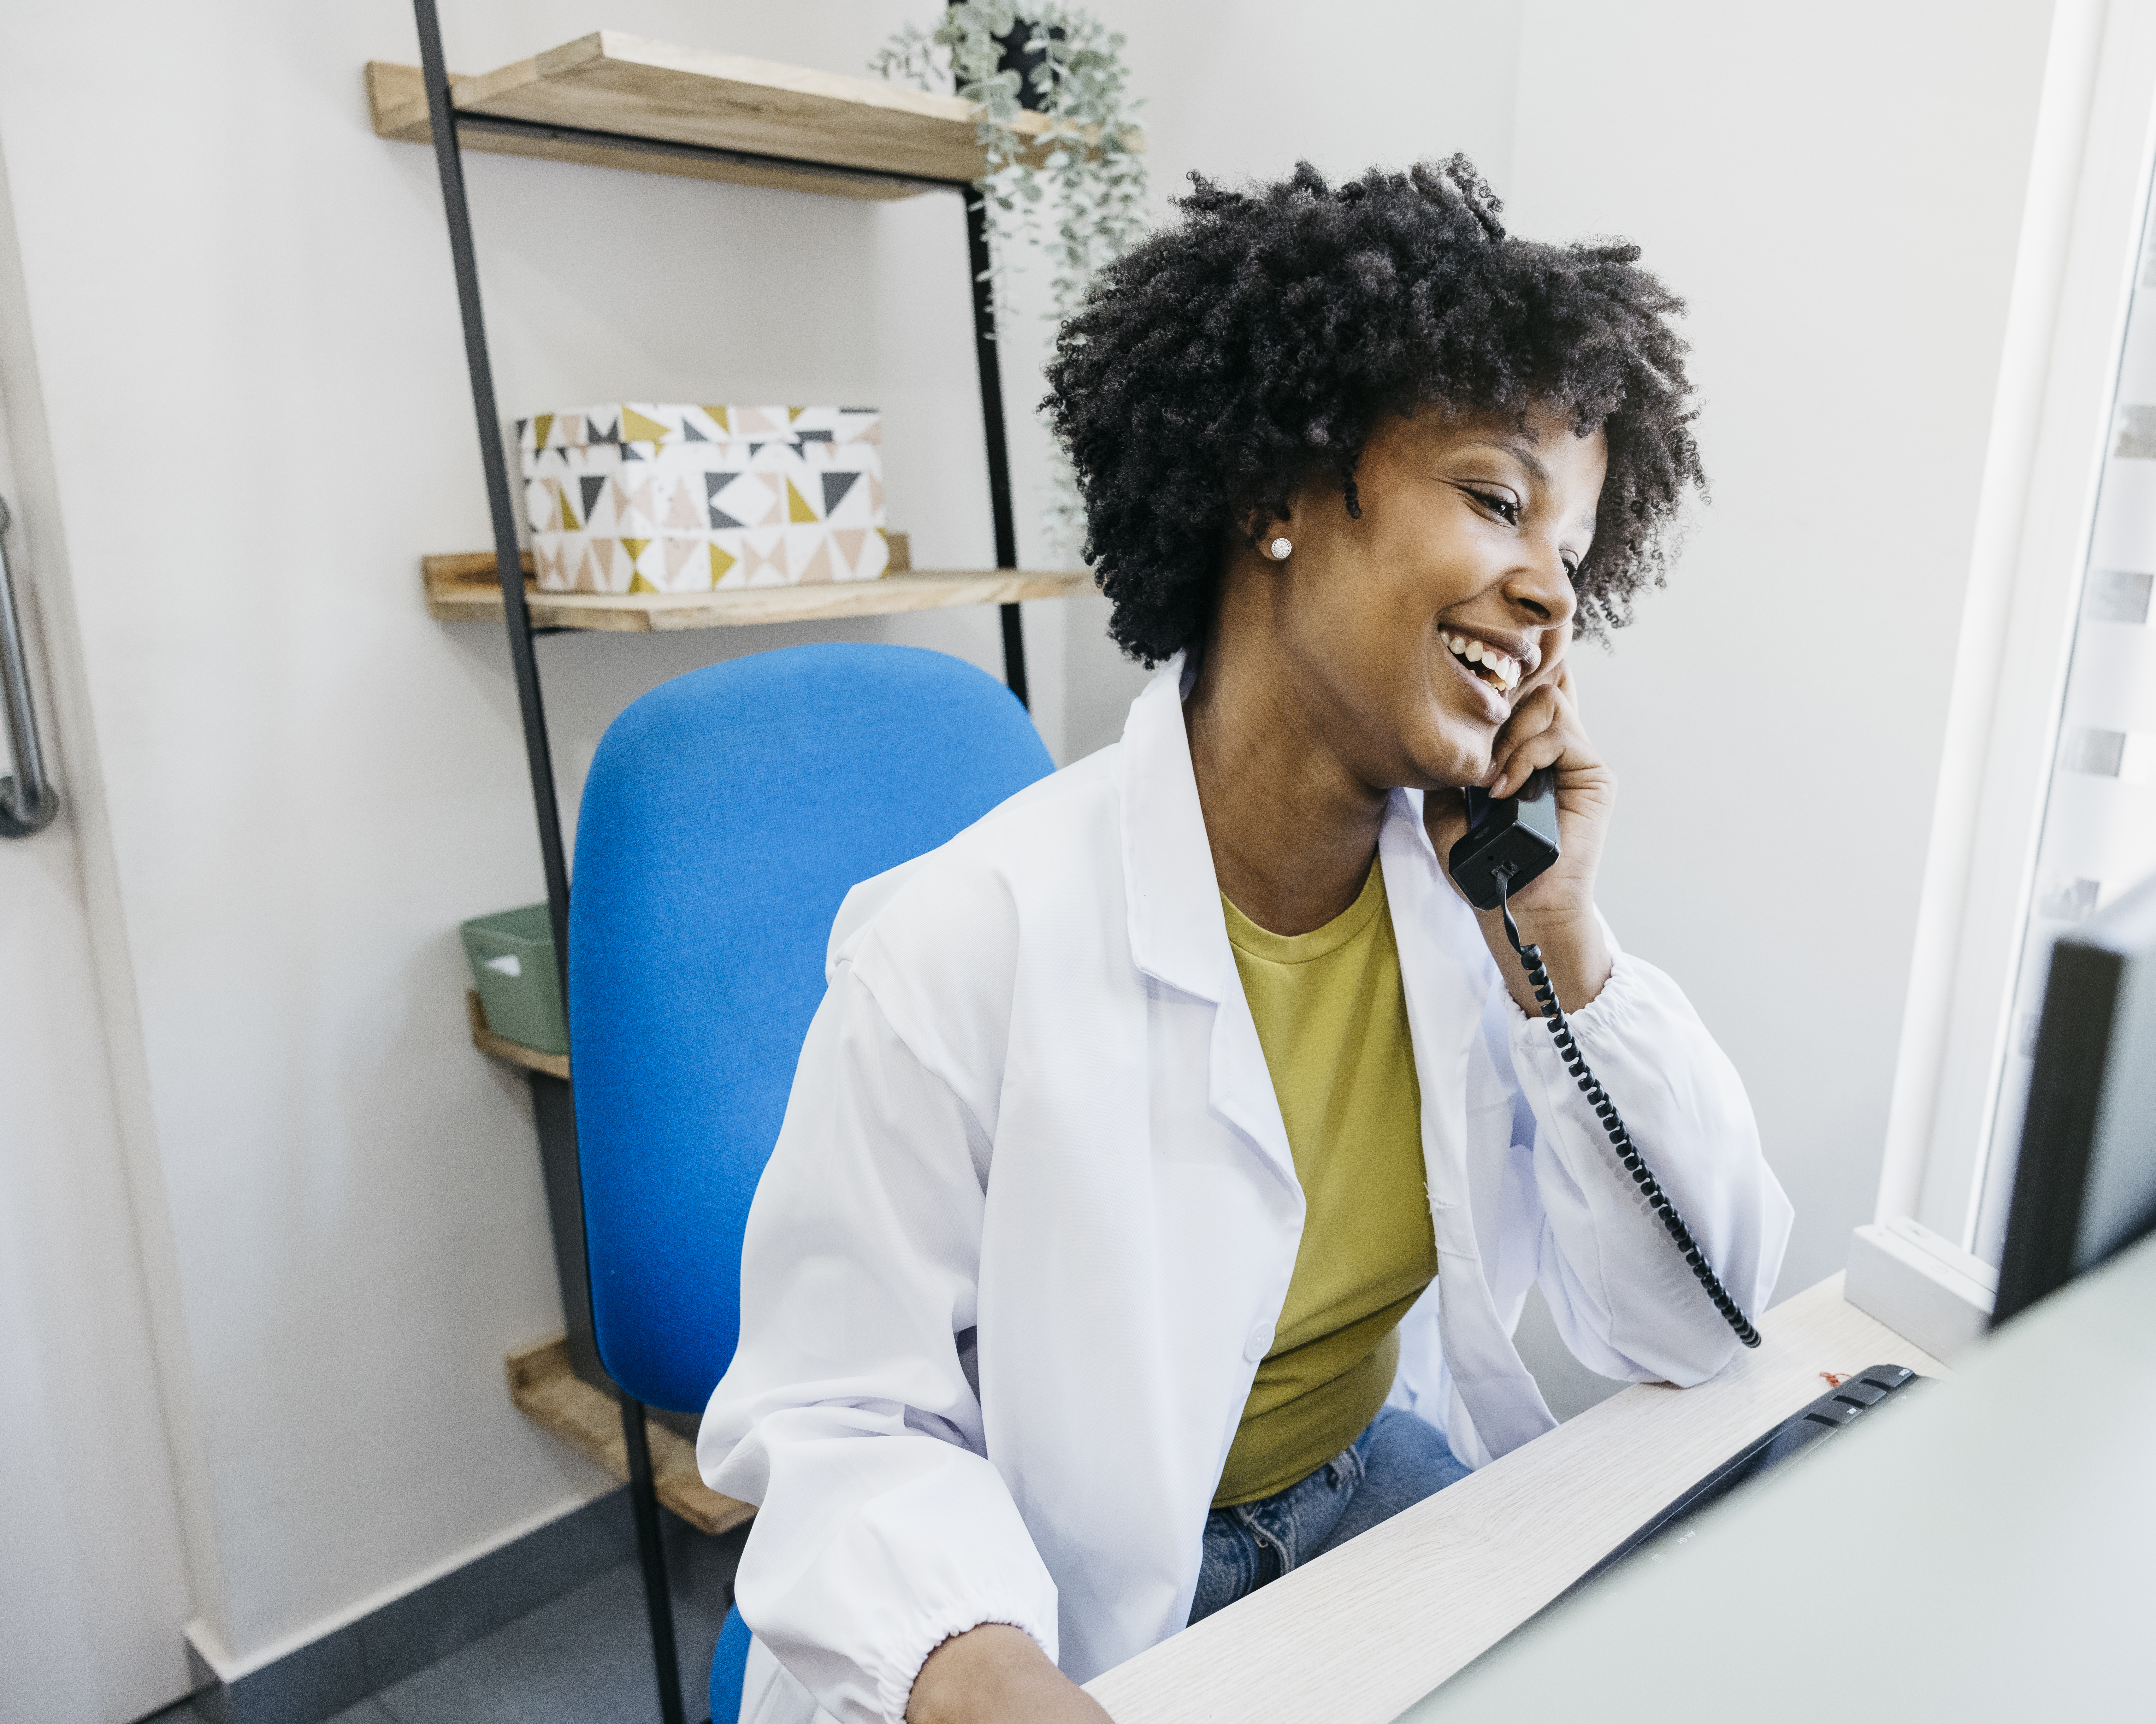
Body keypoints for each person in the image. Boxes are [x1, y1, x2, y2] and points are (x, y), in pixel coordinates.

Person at [699, 156, 1793, 1724]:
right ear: (1273, 496)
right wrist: (988, 1678)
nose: (1549, 589)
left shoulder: (1472, 902)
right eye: (1496, 499)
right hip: (1058, 1591)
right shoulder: (961, 939)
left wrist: (1560, 943)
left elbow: (1700, 1320)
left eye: (1574, 544)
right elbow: (835, 1419)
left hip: (1360, 1489)